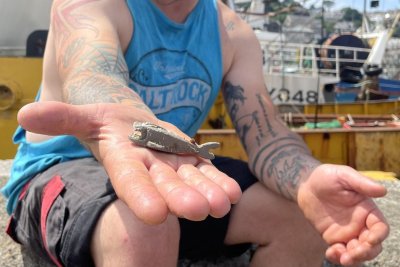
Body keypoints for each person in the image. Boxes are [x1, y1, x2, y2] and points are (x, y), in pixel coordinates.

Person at [1, 0, 389, 266]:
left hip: (173, 170)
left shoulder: (232, 32)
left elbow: (265, 133)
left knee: (301, 215)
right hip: (64, 168)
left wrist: (307, 179)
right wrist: (123, 116)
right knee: (145, 223)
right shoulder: (90, 5)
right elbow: (91, 70)